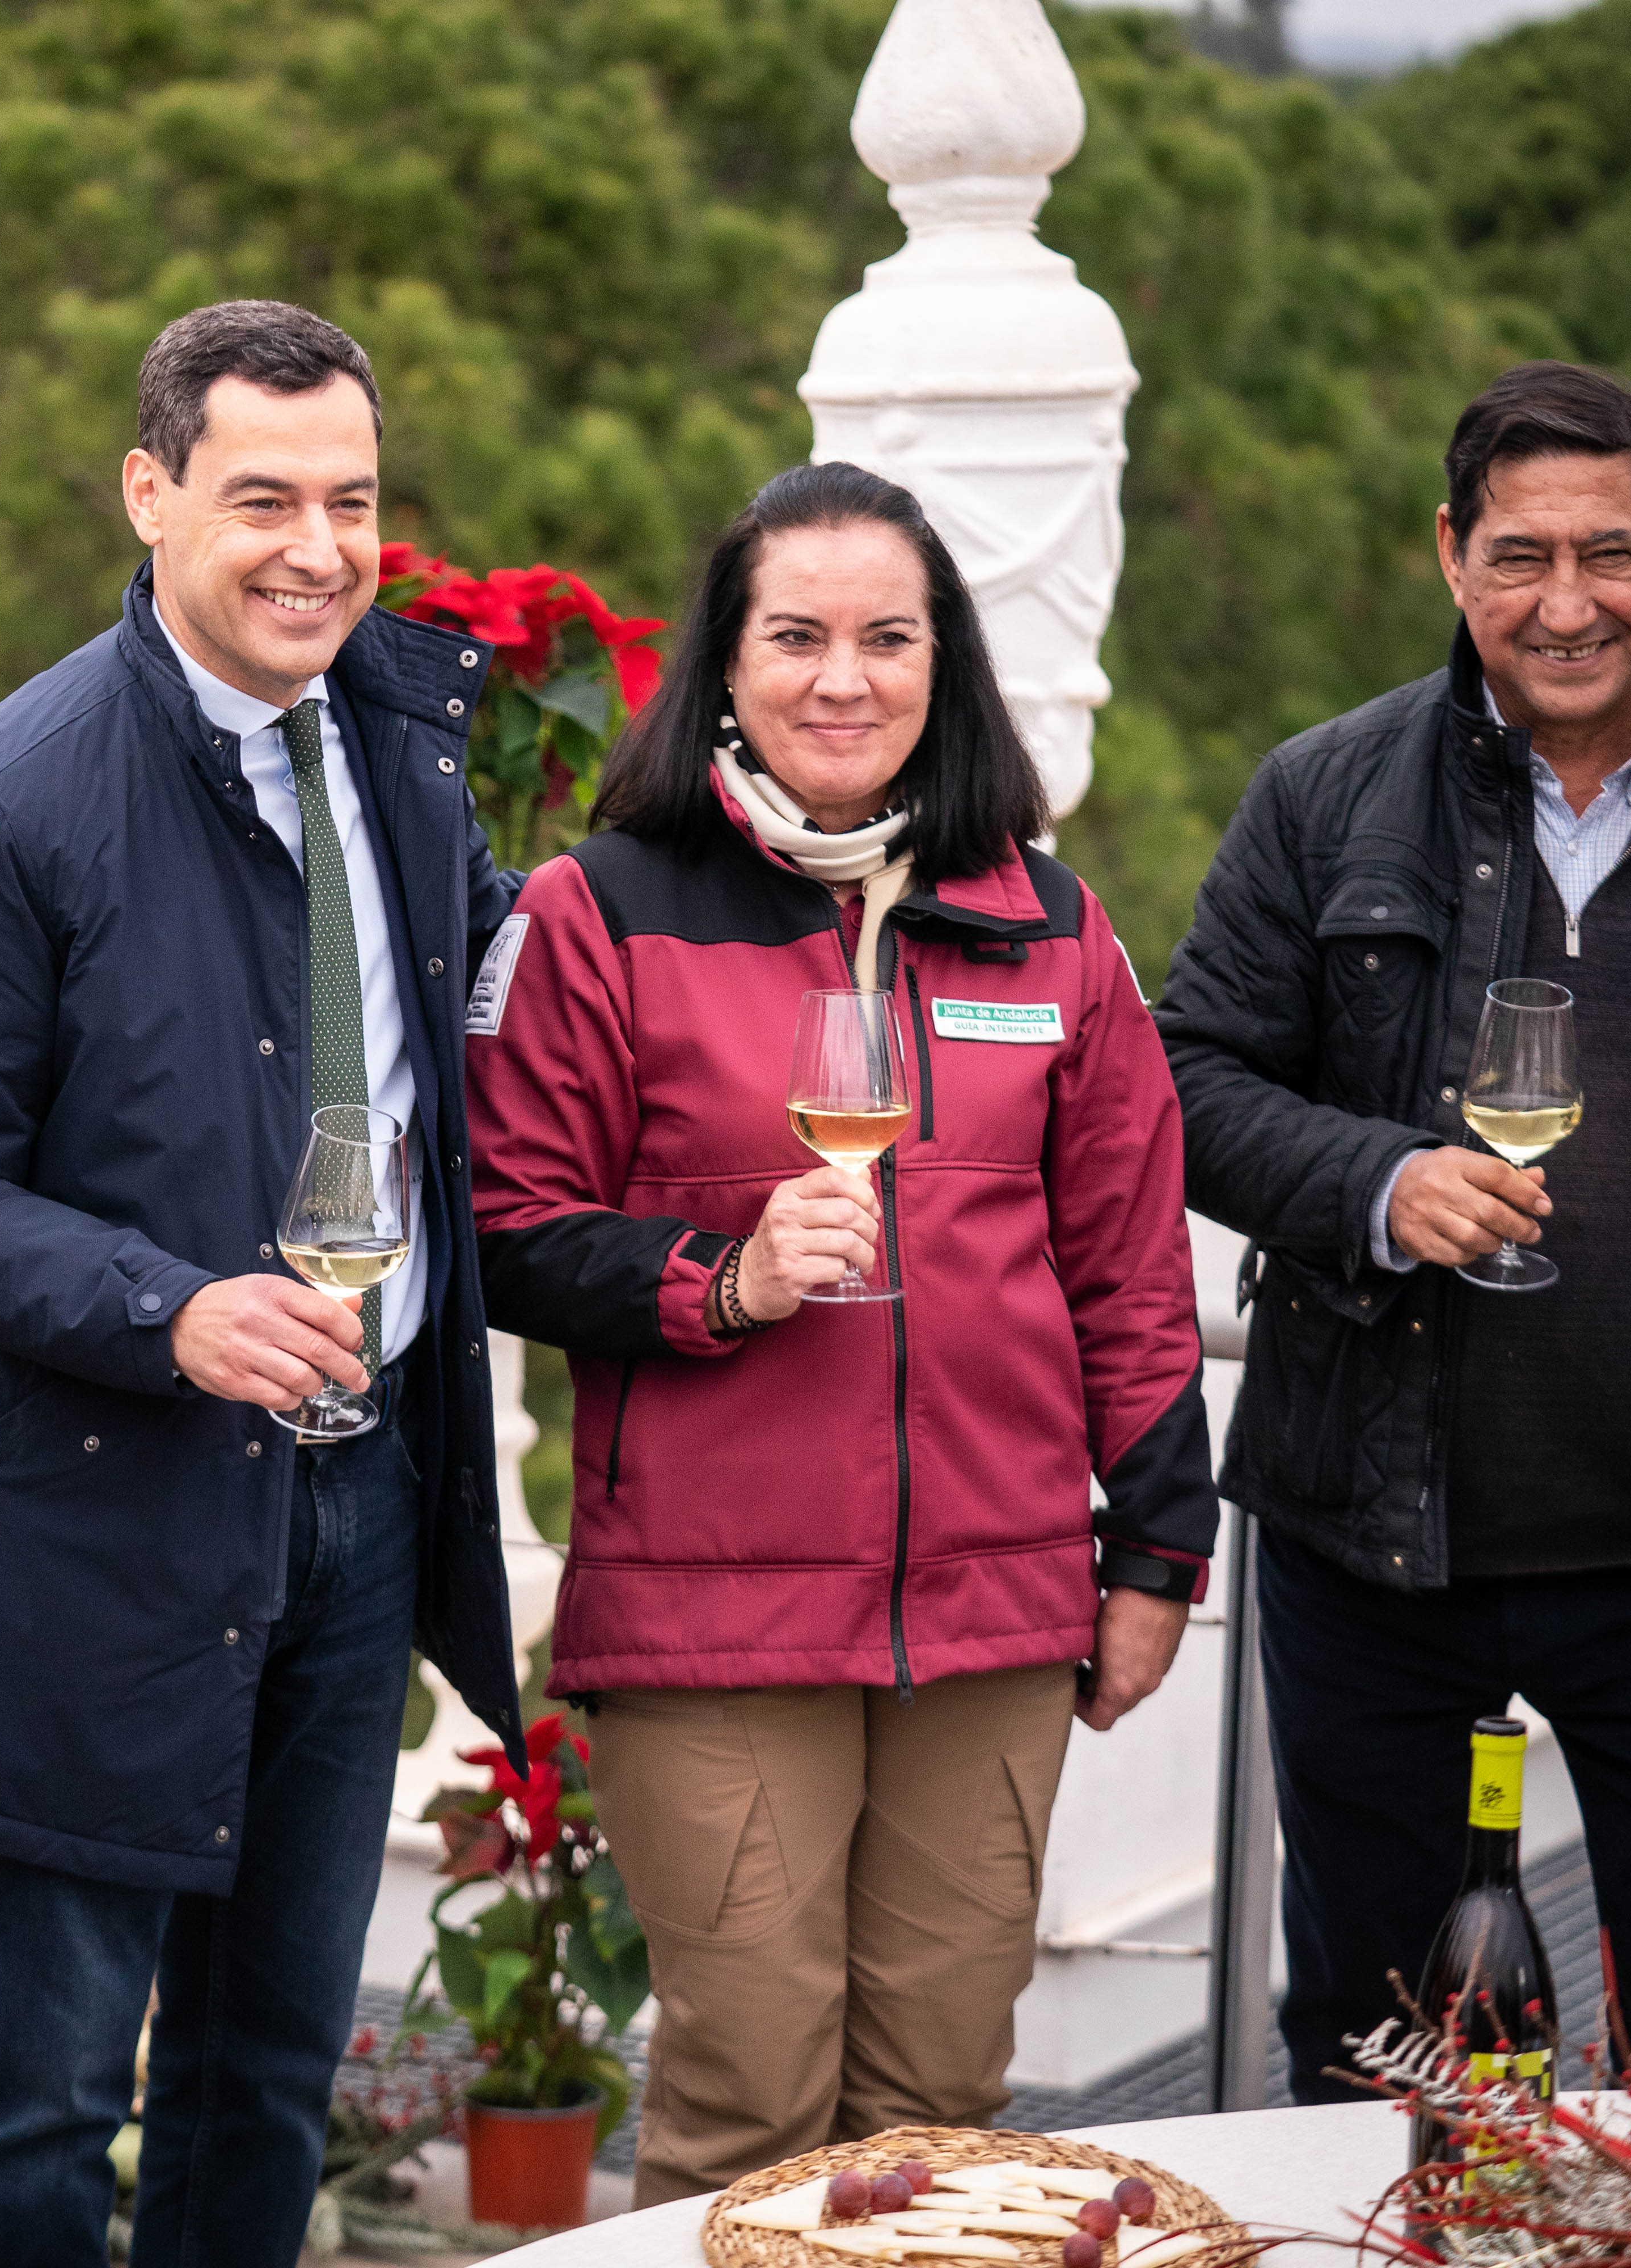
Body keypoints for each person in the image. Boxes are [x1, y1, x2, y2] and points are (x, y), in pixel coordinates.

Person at [0, 300, 524, 2268]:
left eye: (353, 500)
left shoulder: (402, 741)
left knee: (272, 2068)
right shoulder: (2, 799)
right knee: (48, 2101)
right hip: (91, 1527)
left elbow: (478, 1017)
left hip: (359, 1496)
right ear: (149, 495)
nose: (319, 546)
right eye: (261, 499)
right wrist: (175, 1311)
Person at [466, 460, 1215, 2200]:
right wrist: (719, 1278)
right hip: (715, 1619)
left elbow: (1128, 1268)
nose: (841, 677)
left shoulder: (1050, 927)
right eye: (794, 635)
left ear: (941, 665)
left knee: (944, 2108)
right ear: (723, 666)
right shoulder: (603, 914)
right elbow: (507, 1233)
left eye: (888, 637)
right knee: (750, 2101)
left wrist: (1160, 1549)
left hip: (995, 1617)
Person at [1157, 360, 1631, 2093]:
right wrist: (1378, 1185)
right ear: (1450, 555)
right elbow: (1185, 1078)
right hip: (1373, 1557)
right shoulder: (1323, 797)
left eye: (1608, 552)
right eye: (1521, 556)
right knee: (1386, 2058)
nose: (1568, 605)